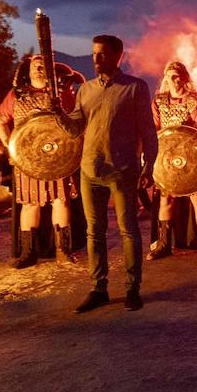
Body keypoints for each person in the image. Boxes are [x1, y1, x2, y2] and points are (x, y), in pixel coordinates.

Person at [57, 34, 157, 313]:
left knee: (128, 230)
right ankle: (98, 288)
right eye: (93, 53)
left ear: (117, 56)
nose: (96, 58)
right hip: (90, 169)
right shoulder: (85, 90)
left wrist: (150, 165)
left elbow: (148, 130)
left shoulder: (135, 88)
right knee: (94, 233)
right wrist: (59, 113)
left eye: (101, 54)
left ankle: (132, 288)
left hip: (122, 169)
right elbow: (76, 127)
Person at [0, 54, 81, 268]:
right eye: (35, 65)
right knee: (30, 203)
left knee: (61, 200)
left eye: (43, 65)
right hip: (27, 160)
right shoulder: (16, 95)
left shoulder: (60, 94)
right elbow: (1, 122)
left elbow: (75, 122)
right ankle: (28, 252)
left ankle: (63, 250)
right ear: (29, 70)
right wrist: (10, 148)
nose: (38, 68)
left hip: (58, 159)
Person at [147, 61, 197, 260]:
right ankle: (164, 244)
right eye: (170, 77)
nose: (174, 80)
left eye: (177, 76)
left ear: (185, 78)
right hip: (167, 157)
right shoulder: (159, 101)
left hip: (192, 156)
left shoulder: (196, 100)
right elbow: (156, 129)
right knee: (166, 199)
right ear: (166, 79)